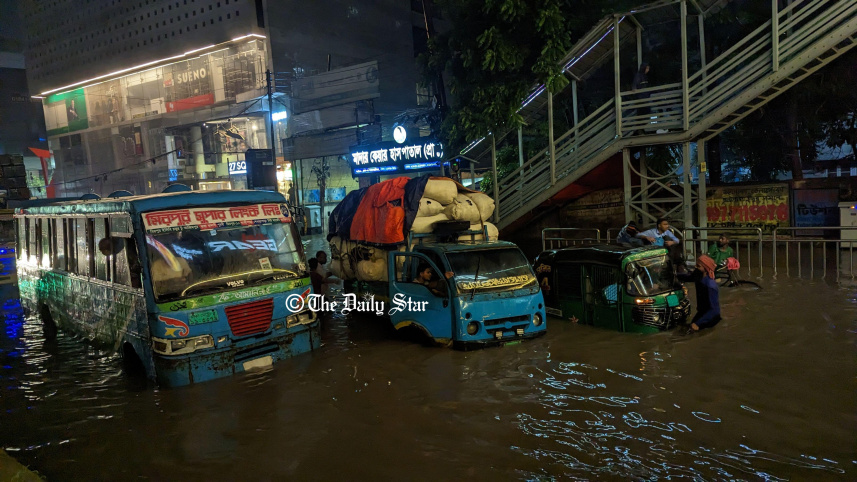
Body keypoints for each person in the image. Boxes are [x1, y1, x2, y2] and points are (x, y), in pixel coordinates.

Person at [677, 254, 721, 332]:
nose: (695, 267)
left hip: (709, 316)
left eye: (698, 266)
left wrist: (698, 323)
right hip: (701, 312)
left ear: (705, 268)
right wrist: (674, 276)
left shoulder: (710, 285)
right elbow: (688, 277)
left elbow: (715, 310)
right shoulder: (698, 276)